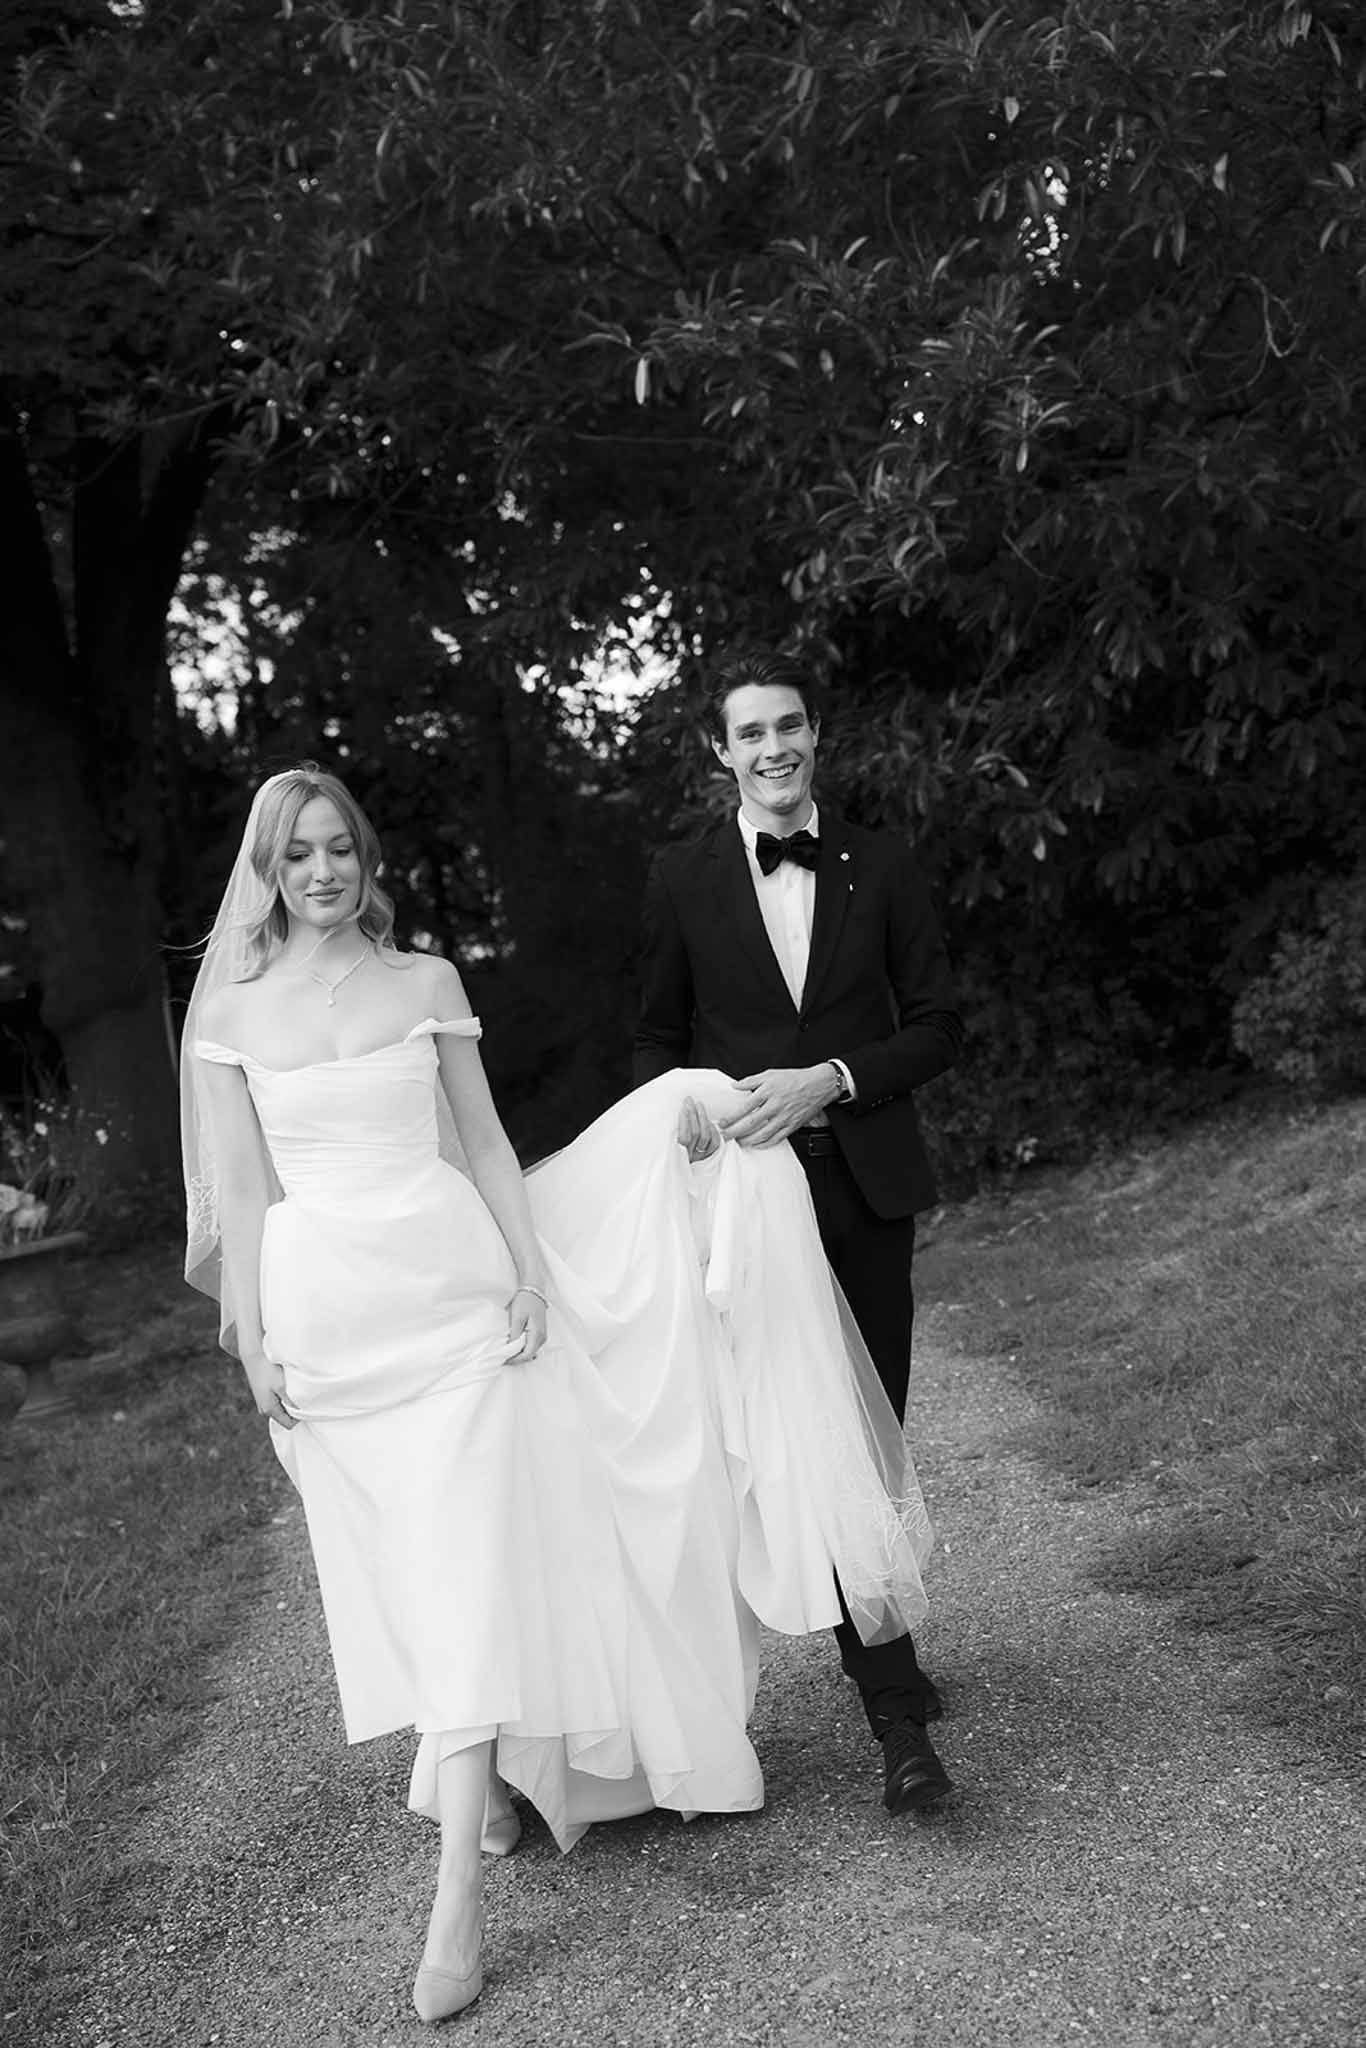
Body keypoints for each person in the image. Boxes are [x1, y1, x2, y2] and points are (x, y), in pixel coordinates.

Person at [181, 765, 934, 2023]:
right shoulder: (229, 1019)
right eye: (298, 853)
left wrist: (528, 1272)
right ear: (266, 866)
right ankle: (482, 1770)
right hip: (326, 1321)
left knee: (472, 1561)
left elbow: (480, 1142)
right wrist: (254, 1339)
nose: (324, 871)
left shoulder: (425, 983)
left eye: (343, 849)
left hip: (454, 1295)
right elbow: (250, 1198)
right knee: (405, 1569)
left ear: (368, 860)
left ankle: (453, 1915)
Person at [634, 653, 965, 1814]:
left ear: (816, 736)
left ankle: (885, 1644)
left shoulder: (881, 863)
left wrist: (829, 1076)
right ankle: (887, 1693)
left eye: (790, 727)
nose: (773, 748)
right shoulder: (680, 878)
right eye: (750, 733)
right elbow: (652, 1036)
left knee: (872, 1426)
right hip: (747, 1205)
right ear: (719, 751)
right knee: (792, 1431)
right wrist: (681, 1116)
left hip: (866, 1184)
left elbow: (935, 1024)